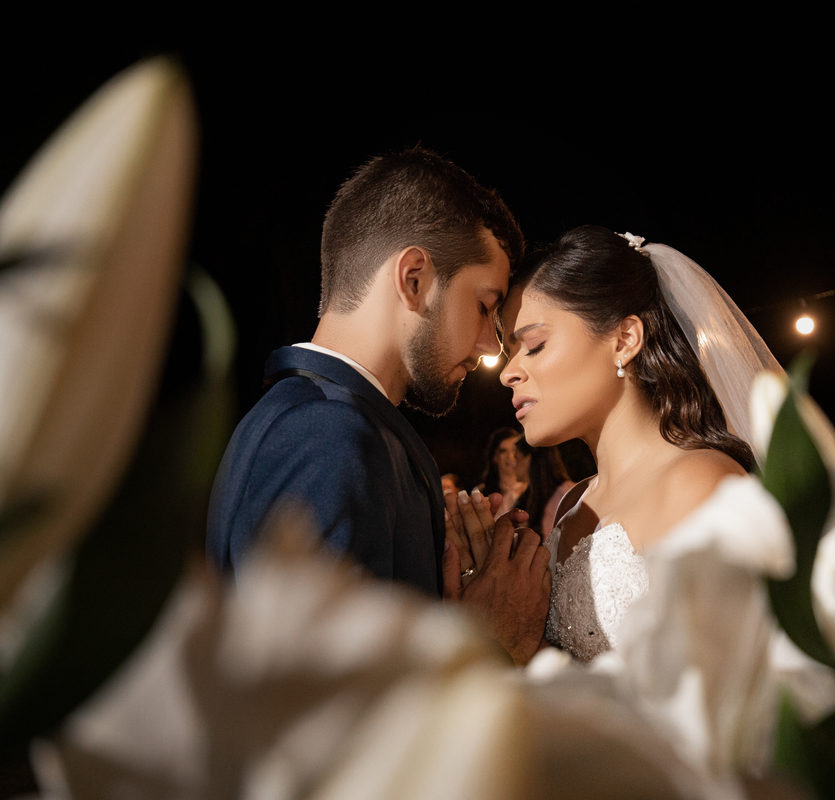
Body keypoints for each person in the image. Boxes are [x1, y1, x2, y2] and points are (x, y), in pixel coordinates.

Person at [207, 147, 550, 665]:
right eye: (484, 306)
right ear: (413, 278)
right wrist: (489, 645)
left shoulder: (334, 422)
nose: (488, 347)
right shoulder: (327, 437)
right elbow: (317, 714)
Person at [488, 225, 773, 662]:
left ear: (624, 340)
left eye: (534, 345)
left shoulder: (700, 483)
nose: (509, 373)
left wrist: (521, 648)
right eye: (509, 356)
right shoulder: (574, 504)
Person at [476, 427, 531, 516]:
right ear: (495, 456)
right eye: (503, 451)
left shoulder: (532, 492)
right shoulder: (482, 494)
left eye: (514, 450)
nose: (510, 456)